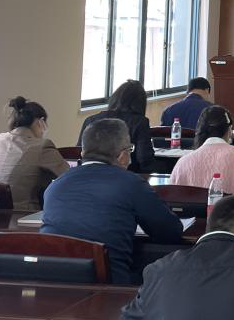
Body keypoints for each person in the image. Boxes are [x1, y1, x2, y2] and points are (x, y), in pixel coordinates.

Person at [43, 118, 185, 284]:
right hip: (111, 286)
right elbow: (170, 232)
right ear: (123, 156)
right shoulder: (131, 184)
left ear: (82, 153)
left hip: (53, 282)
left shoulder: (55, 185)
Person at [0, 95, 68, 210]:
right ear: (41, 122)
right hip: (24, 214)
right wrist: (42, 138)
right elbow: (69, 176)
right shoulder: (42, 146)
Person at [170, 105, 234, 199]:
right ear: (229, 130)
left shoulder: (183, 162)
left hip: (193, 209)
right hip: (233, 208)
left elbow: (172, 197)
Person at [80, 79, 156, 173]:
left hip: (89, 173)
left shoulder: (90, 120)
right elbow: (144, 159)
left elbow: (80, 152)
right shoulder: (140, 122)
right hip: (129, 175)